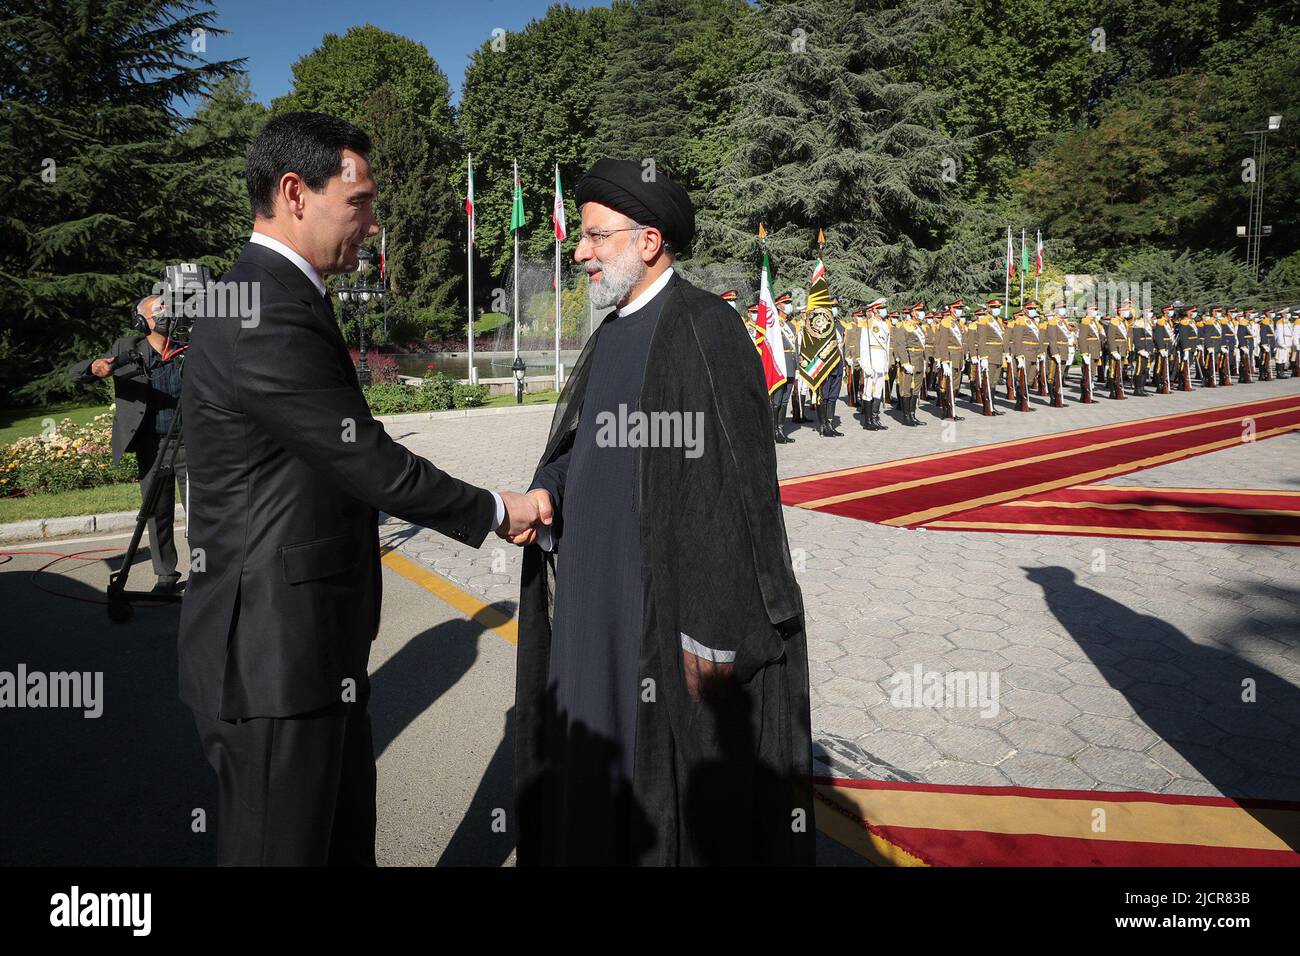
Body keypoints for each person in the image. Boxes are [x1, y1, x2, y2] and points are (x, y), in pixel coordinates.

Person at [177, 112, 538, 866]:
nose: (373, 225)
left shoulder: (268, 292)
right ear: (294, 193)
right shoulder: (260, 307)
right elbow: (367, 461)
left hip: (306, 647)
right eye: (360, 203)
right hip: (274, 657)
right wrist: (497, 510)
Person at [512, 157, 813, 866]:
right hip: (592, 615)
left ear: (648, 242)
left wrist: (714, 630)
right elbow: (579, 446)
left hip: (663, 619)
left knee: (662, 802)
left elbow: (740, 497)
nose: (579, 252)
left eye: (593, 237)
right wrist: (545, 490)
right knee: (592, 790)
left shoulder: (706, 328)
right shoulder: (613, 330)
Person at [69, 295, 189, 594]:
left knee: (202, 515)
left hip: (192, 443)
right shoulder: (127, 347)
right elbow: (76, 372)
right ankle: (165, 576)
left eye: (168, 305)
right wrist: (94, 368)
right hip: (152, 444)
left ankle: (205, 572)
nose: (166, 311)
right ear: (141, 322)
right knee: (156, 513)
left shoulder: (191, 345)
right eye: (158, 308)